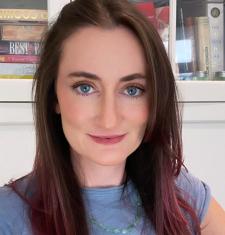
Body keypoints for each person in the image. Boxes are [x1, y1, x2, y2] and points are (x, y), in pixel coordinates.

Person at [0, 0, 225, 234]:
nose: (108, 120)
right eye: (85, 88)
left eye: (132, 90)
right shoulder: (7, 215)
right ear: (53, 96)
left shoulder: (182, 194)